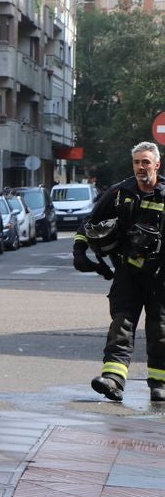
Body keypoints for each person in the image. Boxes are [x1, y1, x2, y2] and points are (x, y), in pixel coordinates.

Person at [73, 141, 165, 403]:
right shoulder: (118, 193)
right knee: (121, 325)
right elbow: (88, 224)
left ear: (156, 164)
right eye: (136, 162)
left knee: (160, 330)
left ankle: (159, 383)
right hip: (127, 273)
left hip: (161, 277)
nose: (140, 167)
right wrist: (79, 254)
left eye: (145, 162)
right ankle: (113, 380)